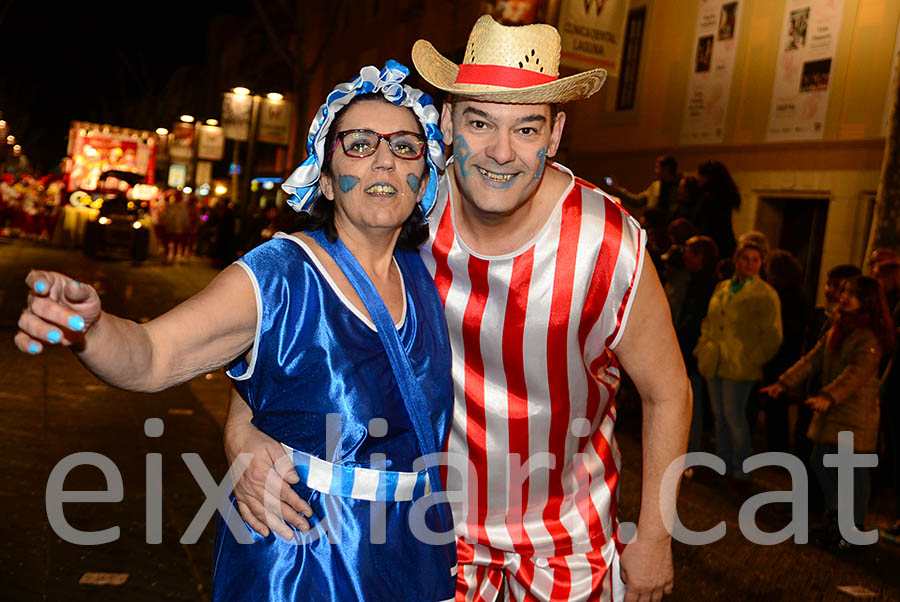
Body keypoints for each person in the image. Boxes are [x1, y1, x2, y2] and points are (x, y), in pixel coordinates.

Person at [225, 15, 691, 602]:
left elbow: (668, 391)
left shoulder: (610, 243)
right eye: (479, 122)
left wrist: (656, 536)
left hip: (569, 541)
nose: (501, 152)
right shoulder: (407, 210)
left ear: (555, 132)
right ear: (446, 123)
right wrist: (241, 437)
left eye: (526, 129)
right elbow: (294, 311)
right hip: (432, 536)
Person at [15, 61, 458, 601]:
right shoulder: (278, 275)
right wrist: (92, 327)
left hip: (410, 555)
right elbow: (154, 354)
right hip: (304, 559)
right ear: (324, 172)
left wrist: (240, 424)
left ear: (427, 173)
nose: (385, 159)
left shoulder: (425, 274)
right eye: (360, 143)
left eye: (406, 146)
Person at [761, 276, 895, 551]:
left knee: (850, 475)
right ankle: (838, 521)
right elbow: (813, 359)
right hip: (832, 413)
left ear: (866, 301)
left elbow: (855, 375)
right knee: (821, 461)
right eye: (845, 291)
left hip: (854, 417)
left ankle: (851, 529)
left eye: (852, 294)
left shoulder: (868, 337)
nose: (844, 296)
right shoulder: (839, 328)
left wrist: (828, 396)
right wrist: (784, 383)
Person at [694, 238, 782, 493]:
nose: (750, 264)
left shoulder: (765, 293)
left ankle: (742, 469)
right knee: (720, 415)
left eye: (756, 260)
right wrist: (704, 346)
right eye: (746, 259)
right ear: (736, 260)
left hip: (740, 365)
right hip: (716, 359)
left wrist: (752, 357)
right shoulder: (723, 287)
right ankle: (724, 464)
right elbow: (710, 321)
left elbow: (773, 334)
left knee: (735, 416)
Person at [608, 154, 682, 222]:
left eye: (657, 168)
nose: (655, 171)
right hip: (655, 227)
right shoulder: (655, 186)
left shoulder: (680, 186)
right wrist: (618, 190)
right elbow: (637, 201)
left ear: (666, 169)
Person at [693, 160, 740, 259]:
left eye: (699, 175)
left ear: (706, 177)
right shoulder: (724, 197)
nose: (696, 178)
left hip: (713, 247)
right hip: (724, 244)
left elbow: (706, 225)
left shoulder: (710, 199)